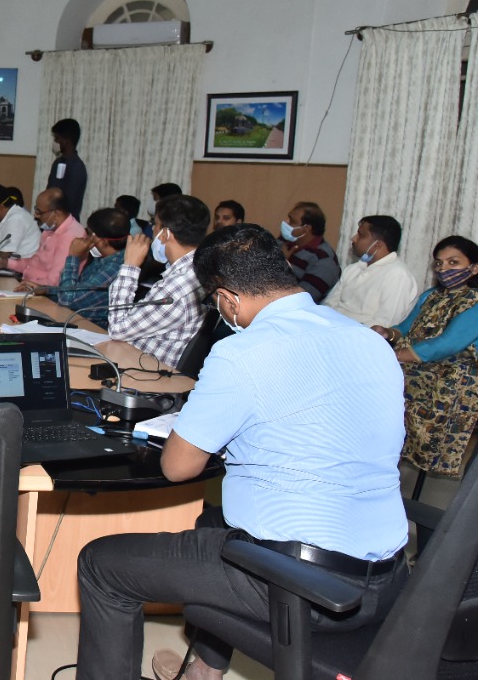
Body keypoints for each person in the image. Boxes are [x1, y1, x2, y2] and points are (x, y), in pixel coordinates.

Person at [76, 224, 409, 680]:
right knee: (212, 521)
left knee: (101, 563)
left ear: (229, 299)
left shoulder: (242, 352)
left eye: (214, 300)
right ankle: (206, 669)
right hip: (390, 578)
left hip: (300, 584)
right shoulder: (370, 342)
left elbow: (178, 468)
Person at [373, 235, 478, 478]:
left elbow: (447, 344)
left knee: (425, 443)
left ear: (474, 268)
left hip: (449, 385)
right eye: (439, 264)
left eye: (453, 263)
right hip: (415, 376)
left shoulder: (474, 302)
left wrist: (398, 356)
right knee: (392, 433)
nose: (444, 269)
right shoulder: (431, 295)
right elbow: (407, 327)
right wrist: (388, 332)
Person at [108, 195, 209, 368]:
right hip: (136, 361)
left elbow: (117, 329)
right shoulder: (196, 268)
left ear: (166, 233)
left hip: (143, 377)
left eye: (154, 224)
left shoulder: (179, 285)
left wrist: (130, 266)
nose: (152, 230)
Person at [322, 215, 418, 327]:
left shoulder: (398, 275)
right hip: (332, 329)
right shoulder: (353, 269)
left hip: (360, 337)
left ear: (377, 244)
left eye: (360, 235)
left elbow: (385, 324)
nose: (353, 238)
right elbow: (328, 305)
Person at [47, 208, 130, 327]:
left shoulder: (115, 268)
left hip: (90, 328)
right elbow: (78, 289)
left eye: (90, 233)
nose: (87, 237)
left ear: (102, 241)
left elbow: (67, 300)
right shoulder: (105, 258)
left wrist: (73, 257)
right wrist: (46, 290)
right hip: (75, 319)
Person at [0, 189, 84, 289]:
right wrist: (3, 262)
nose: (35, 215)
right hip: (27, 284)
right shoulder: (49, 229)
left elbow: (54, 281)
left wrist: (29, 286)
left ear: (56, 213)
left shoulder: (69, 236)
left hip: (44, 295)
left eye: (39, 212)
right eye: (36, 209)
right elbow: (34, 263)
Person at [281, 201, 341, 301]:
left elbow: (301, 299)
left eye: (291, 221)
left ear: (306, 229)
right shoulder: (284, 243)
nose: (285, 222)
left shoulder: (324, 261)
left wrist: (282, 262)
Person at [46, 119, 87, 220]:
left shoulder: (77, 167)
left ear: (66, 140)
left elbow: (69, 201)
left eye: (57, 138)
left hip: (67, 222)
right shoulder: (58, 162)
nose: (54, 142)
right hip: (52, 221)